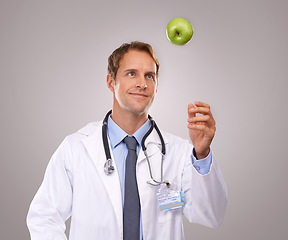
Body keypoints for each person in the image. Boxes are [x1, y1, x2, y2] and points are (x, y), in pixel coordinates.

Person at [27, 41, 227, 240]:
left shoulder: (179, 152)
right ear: (110, 81)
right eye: (132, 73)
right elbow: (44, 217)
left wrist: (202, 154)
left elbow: (210, 216)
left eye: (150, 76)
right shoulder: (76, 148)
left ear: (156, 86)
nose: (142, 83)